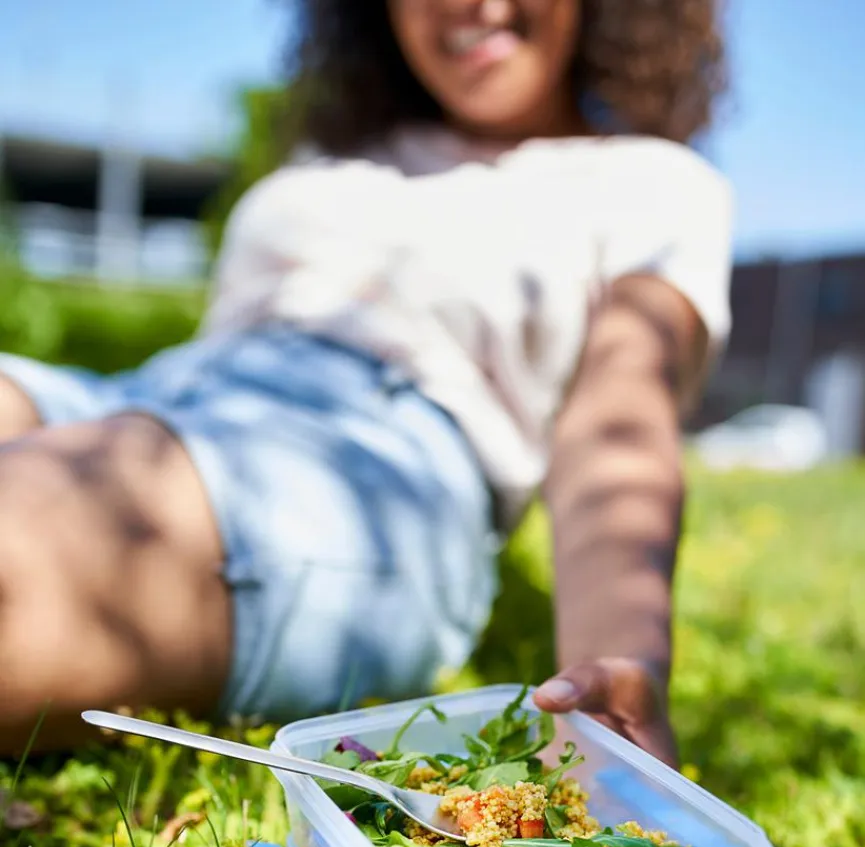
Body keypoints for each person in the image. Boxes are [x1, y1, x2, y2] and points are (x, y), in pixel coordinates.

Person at [0, 0, 731, 765]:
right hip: (157, 397)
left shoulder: (649, 181)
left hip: (365, 462)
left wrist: (615, 668)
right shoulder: (338, 154)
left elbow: (618, 415)